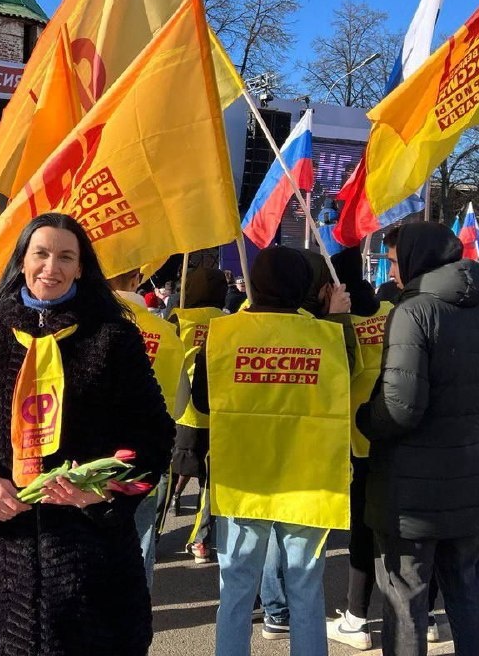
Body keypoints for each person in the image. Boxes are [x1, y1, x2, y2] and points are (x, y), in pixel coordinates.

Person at [0, 213, 175, 656]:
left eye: (65, 257)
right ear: (21, 260)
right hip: (0, 561)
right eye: (40, 254)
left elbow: (153, 430)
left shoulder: (113, 338)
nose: (50, 268)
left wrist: (104, 490)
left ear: (81, 267)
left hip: (90, 557)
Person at [357, 222, 479, 655]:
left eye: (393, 259)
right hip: (467, 476)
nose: (392, 269)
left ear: (415, 259)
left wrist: (366, 419)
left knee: (405, 598)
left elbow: (400, 407)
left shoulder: (413, 312)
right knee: (468, 590)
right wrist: (476, 450)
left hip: (410, 488)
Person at [198, 246, 352, 656]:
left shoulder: (222, 333)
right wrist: (337, 316)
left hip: (242, 479)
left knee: (235, 590)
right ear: (305, 286)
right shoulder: (327, 336)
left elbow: (199, 401)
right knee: (305, 590)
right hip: (308, 479)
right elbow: (348, 379)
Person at [325, 246, 394, 651]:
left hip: (356, 442)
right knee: (402, 532)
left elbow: (337, 372)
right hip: (397, 436)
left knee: (363, 535)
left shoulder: (337, 323)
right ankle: (428, 616)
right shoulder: (391, 312)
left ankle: (357, 618)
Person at [107, 267, 186, 588]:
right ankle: (133, 612)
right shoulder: (165, 332)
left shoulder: (80, 322)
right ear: (136, 279)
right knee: (140, 538)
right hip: (144, 455)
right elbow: (180, 405)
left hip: (83, 456)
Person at [164, 267, 227, 563]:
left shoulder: (179, 318)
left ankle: (151, 535)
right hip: (218, 410)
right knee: (210, 482)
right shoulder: (230, 321)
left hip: (183, 410)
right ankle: (201, 542)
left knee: (169, 472)